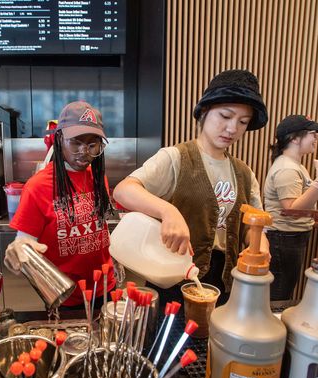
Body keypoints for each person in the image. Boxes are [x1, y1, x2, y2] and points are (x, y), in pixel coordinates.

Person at [113, 69, 269, 305]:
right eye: (225, 116)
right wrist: (168, 211)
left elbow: (251, 224)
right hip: (172, 274)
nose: (232, 128)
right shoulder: (176, 158)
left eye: (242, 122)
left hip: (226, 281)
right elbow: (123, 190)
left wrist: (261, 245)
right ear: (204, 112)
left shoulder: (244, 172)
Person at [3, 101, 116, 308]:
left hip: (106, 286)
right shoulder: (38, 186)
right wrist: (18, 249)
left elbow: (99, 229)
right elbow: (24, 242)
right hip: (66, 294)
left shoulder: (99, 178)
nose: (84, 152)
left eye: (93, 145)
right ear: (60, 139)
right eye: (76, 142)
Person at [263, 115, 318, 300]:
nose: (317, 138)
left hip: (289, 238)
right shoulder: (287, 168)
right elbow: (291, 210)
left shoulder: (294, 165)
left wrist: (316, 222)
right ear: (294, 138)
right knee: (279, 294)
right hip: (283, 238)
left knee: (283, 289)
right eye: (313, 133)